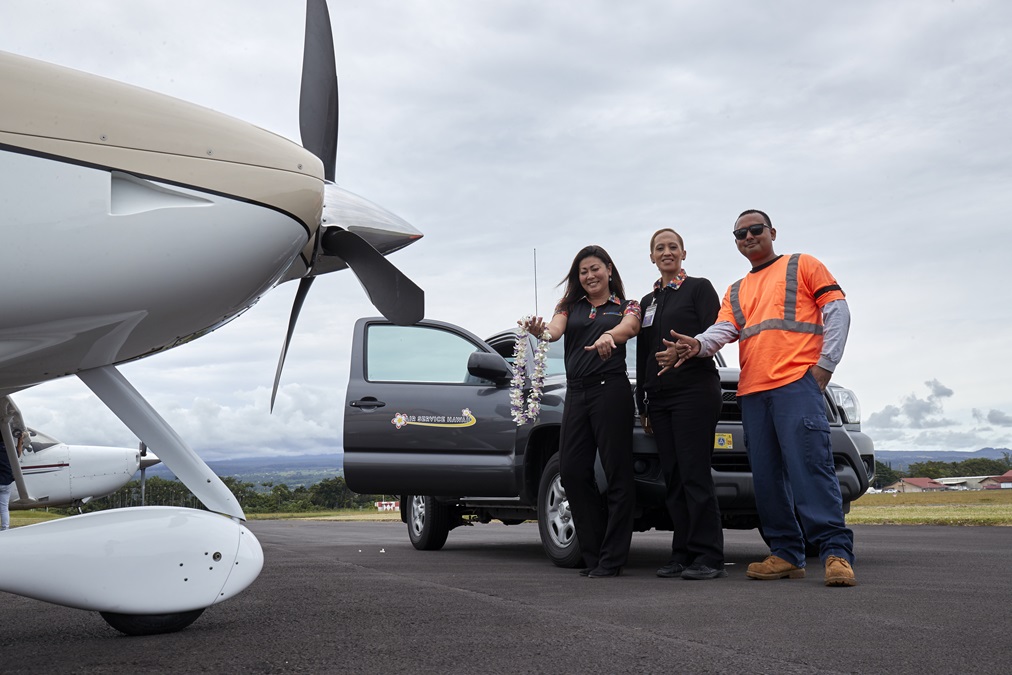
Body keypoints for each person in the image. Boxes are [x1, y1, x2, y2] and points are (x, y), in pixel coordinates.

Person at [667, 209, 857, 587]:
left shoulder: (802, 264)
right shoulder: (737, 289)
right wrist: (697, 344)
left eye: (755, 230)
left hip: (796, 385)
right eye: (740, 234)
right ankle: (786, 553)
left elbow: (837, 311)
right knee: (767, 479)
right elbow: (723, 330)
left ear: (772, 232)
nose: (748, 237)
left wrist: (825, 366)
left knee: (809, 468)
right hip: (753, 392)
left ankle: (836, 553)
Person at [524, 245, 641, 578]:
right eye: (583, 272)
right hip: (576, 393)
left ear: (608, 269)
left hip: (611, 391)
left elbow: (631, 327)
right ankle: (594, 553)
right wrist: (539, 331)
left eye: (595, 269)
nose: (589, 276)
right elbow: (553, 331)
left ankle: (613, 558)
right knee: (573, 470)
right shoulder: (569, 306)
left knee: (618, 473)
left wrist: (610, 335)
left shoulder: (627, 305)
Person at [635, 228, 726, 580]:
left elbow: (717, 333)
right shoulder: (648, 301)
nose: (667, 252)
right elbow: (643, 354)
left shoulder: (699, 288)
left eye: (673, 247)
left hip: (694, 392)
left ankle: (709, 556)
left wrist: (690, 349)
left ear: (684, 253)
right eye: (660, 248)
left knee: (694, 473)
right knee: (672, 477)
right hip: (659, 399)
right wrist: (643, 402)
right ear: (652, 257)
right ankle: (682, 553)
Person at [0, 435, 14, 532]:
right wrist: (21, 440)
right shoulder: (10, 450)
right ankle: (5, 528)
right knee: (4, 508)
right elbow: (18, 453)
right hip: (6, 482)